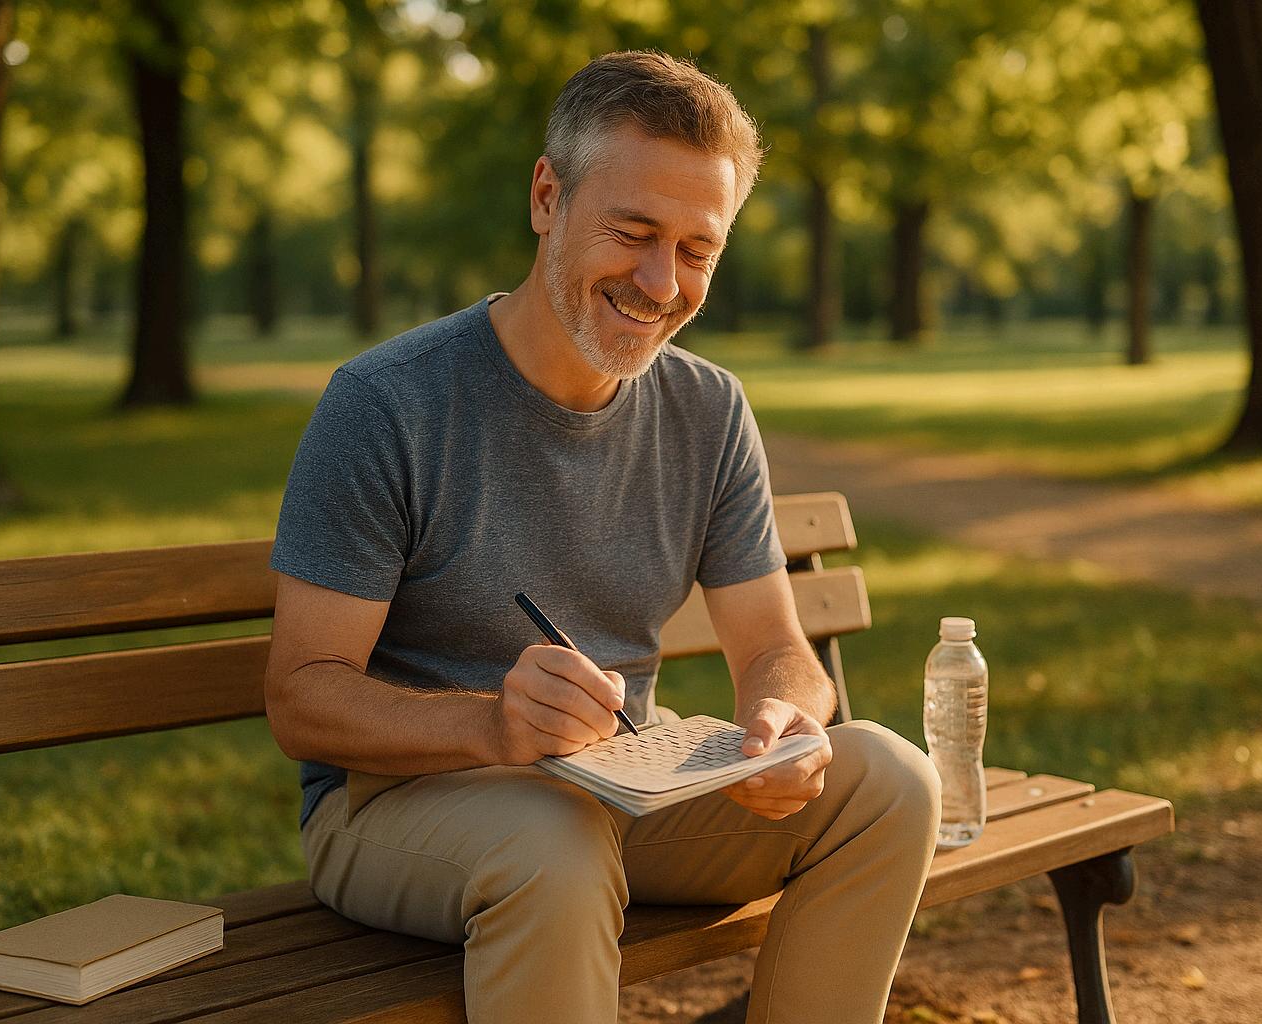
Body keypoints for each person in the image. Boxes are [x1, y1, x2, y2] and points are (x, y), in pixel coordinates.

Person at [264, 50, 940, 1024]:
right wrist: (490, 722)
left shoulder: (708, 409)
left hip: (624, 782)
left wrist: (786, 717)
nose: (661, 282)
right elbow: (300, 698)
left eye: (697, 248)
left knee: (889, 781)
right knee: (554, 838)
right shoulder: (389, 404)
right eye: (633, 232)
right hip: (397, 802)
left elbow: (777, 649)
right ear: (549, 198)